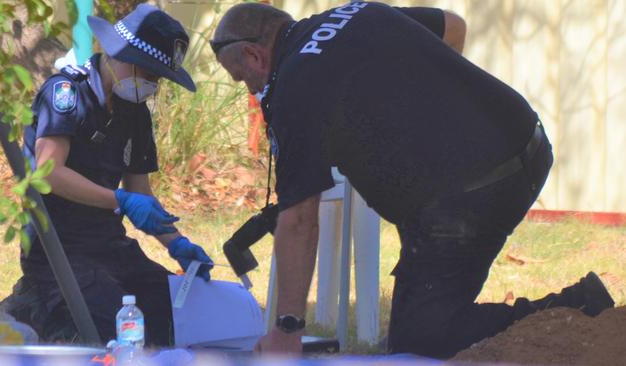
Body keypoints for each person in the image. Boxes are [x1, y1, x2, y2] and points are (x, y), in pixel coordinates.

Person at [211, 2, 615, 358]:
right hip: (529, 141)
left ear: (254, 55)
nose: (250, 88)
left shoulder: (294, 87)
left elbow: (299, 220)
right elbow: (454, 26)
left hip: (473, 193)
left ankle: (579, 308)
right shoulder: (357, 12)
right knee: (417, 314)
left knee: (421, 339)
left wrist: (287, 330)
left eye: (240, 76)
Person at [0, 4, 213, 346]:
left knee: (172, 316)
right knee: (110, 328)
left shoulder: (135, 113)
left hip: (110, 246)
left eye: (159, 79)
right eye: (150, 74)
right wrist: (119, 200)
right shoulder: (65, 93)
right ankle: (32, 304)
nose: (153, 85)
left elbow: (139, 192)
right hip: (59, 251)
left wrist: (178, 245)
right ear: (122, 56)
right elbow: (49, 173)